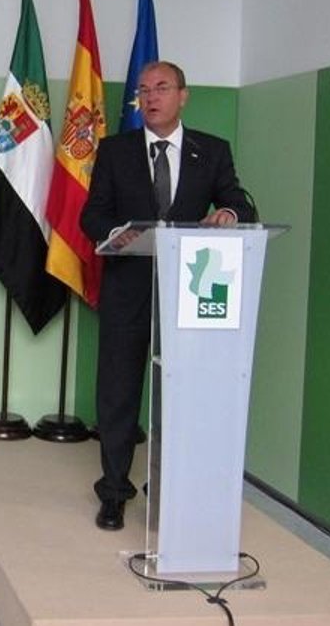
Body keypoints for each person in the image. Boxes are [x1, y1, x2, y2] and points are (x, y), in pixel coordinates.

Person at [81, 60, 253, 531]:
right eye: (144, 90)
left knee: (182, 393)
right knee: (118, 392)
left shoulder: (211, 150)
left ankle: (171, 488)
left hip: (190, 290)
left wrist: (229, 215)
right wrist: (117, 234)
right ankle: (114, 491)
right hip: (128, 288)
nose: (151, 97)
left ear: (183, 95)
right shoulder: (115, 151)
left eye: (161, 88)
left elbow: (239, 201)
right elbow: (92, 215)